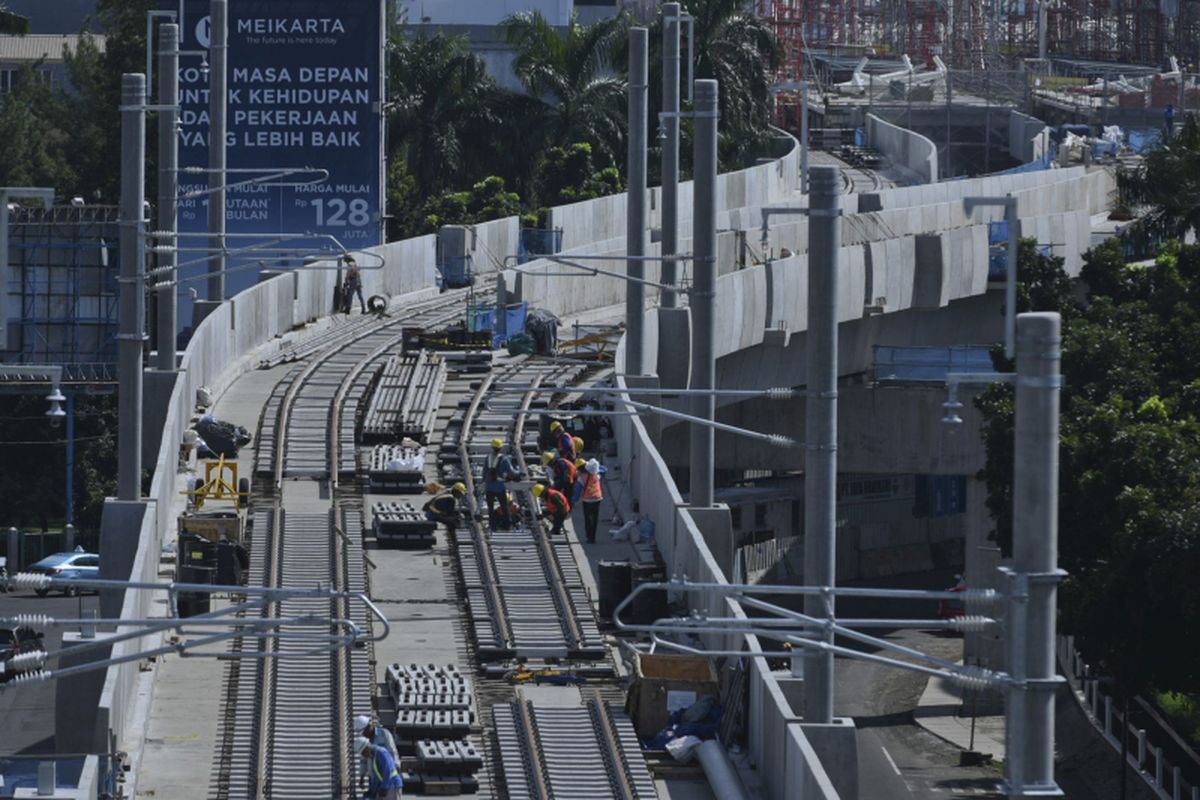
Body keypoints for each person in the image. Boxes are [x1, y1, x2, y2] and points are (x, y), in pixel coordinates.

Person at [484, 439, 520, 529]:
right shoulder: (504, 459)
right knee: (504, 507)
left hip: (489, 487)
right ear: (501, 448)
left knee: (490, 508)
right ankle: (508, 526)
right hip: (499, 487)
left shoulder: (487, 458)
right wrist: (519, 473)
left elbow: (484, 473)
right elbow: (512, 472)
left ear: (492, 447)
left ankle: (492, 526)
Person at [577, 458, 607, 543]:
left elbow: (577, 491)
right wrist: (596, 467)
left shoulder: (581, 478)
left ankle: (589, 537)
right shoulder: (597, 475)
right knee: (595, 519)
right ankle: (593, 537)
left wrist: (573, 500)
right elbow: (605, 469)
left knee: (588, 519)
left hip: (587, 501)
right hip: (597, 499)